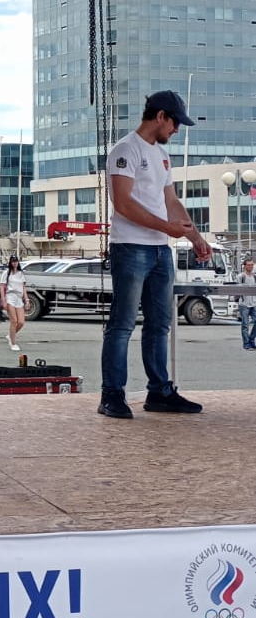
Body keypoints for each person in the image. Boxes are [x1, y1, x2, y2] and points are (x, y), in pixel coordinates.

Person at [98, 90, 211, 419]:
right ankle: (111, 395)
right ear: (160, 116)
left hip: (161, 250)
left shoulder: (161, 155)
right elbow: (123, 203)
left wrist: (195, 237)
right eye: (175, 123)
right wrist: (167, 227)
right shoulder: (125, 150)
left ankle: (160, 392)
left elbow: (170, 200)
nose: (177, 129)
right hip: (131, 247)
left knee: (160, 324)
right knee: (122, 324)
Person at [0, 255, 29, 351]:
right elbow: (2, 287)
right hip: (10, 296)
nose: (14, 263)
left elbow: (23, 287)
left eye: (16, 261)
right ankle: (13, 343)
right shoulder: (6, 273)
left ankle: (11, 335)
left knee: (21, 322)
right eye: (13, 261)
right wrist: (3, 300)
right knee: (14, 321)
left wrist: (26, 300)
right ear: (10, 262)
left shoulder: (21, 273)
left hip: (19, 298)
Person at [237, 259, 256, 350]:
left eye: (252, 265)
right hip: (244, 304)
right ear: (244, 266)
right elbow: (237, 289)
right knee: (245, 325)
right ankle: (246, 344)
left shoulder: (254, 277)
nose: (250, 267)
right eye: (249, 265)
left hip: (254, 303)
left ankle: (251, 340)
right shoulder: (241, 276)